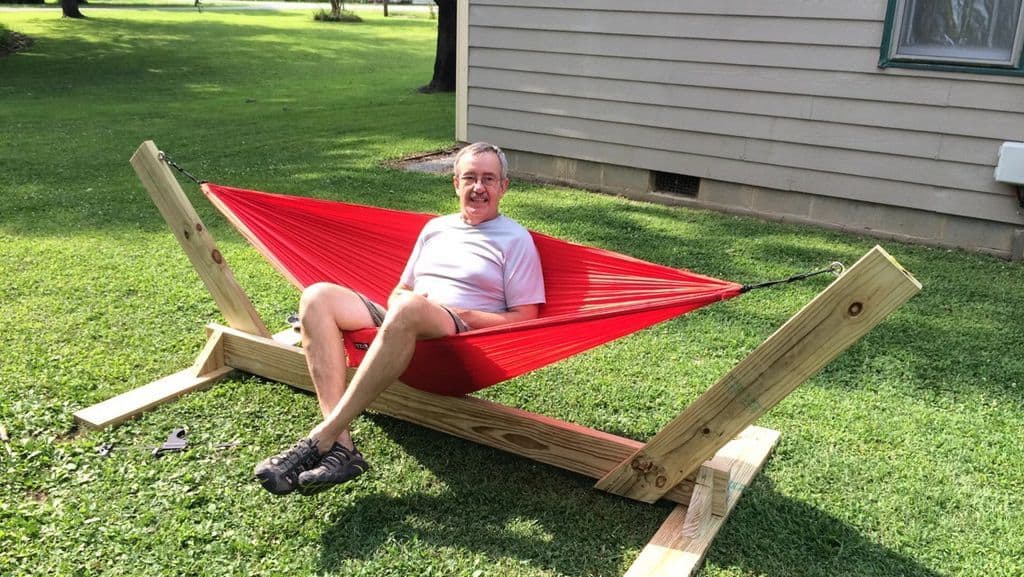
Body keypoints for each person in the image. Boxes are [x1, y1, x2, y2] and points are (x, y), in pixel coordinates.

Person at [253, 142, 546, 496]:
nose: (478, 188)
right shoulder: (435, 229)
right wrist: (398, 312)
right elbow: (400, 290)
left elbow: (525, 319)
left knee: (408, 308)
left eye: (488, 179)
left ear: (504, 186)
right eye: (469, 178)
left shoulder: (515, 240)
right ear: (455, 183)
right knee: (317, 297)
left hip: (460, 333)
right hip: (405, 318)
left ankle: (320, 438)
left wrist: (455, 313)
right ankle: (342, 447)